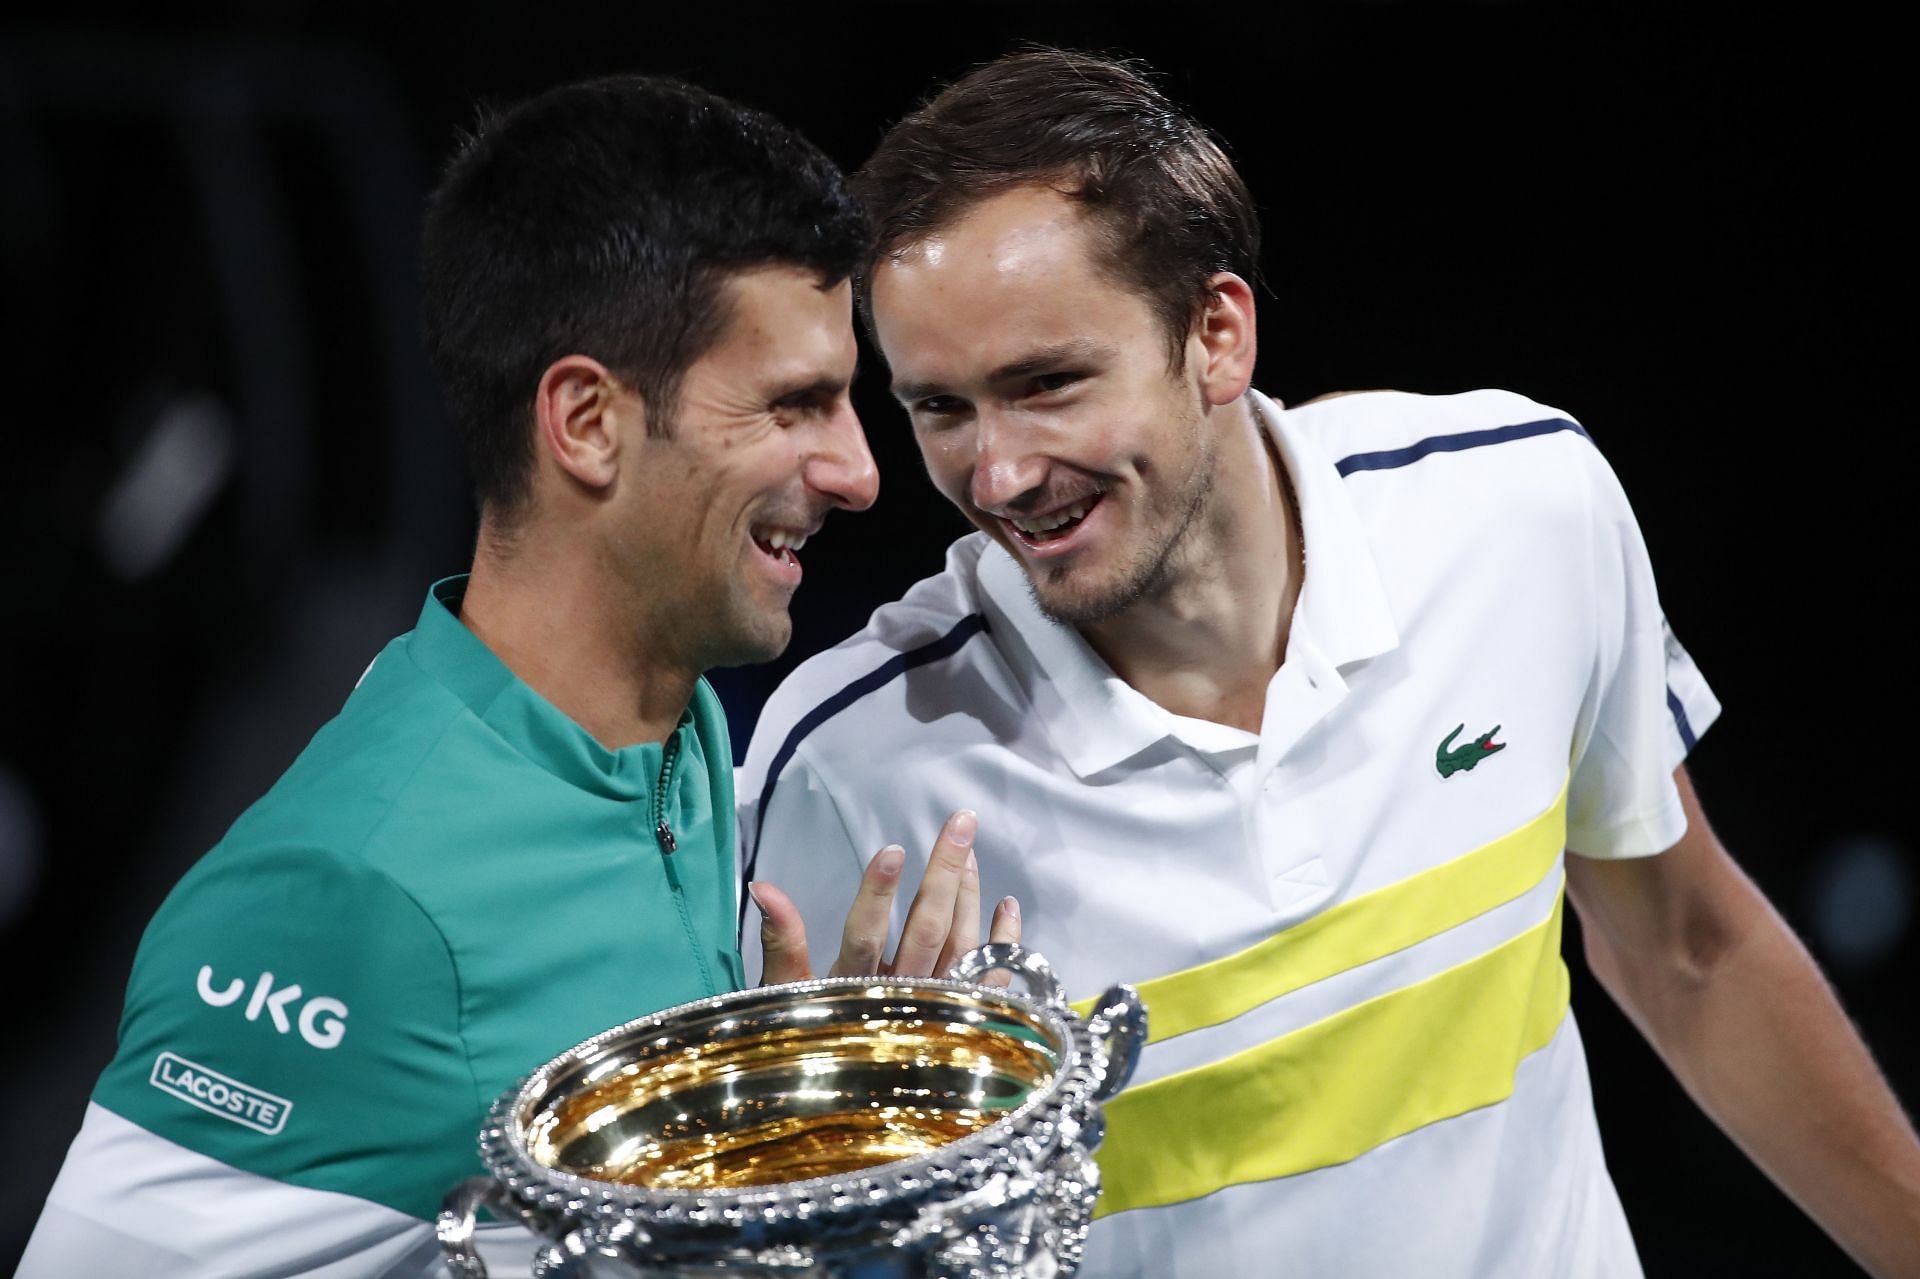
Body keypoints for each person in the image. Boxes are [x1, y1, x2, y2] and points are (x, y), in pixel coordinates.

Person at [738, 50, 1920, 1278]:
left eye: (1049, 385)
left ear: (1216, 333)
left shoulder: (1523, 506)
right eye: (941, 409)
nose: (999, 475)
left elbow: (1690, 950)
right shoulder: (844, 766)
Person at [21, 75, 1012, 1278]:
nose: (860, 471)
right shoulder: (354, 899)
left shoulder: (679, 729)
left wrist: (801, 1155)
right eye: (794, 404)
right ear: (587, 422)